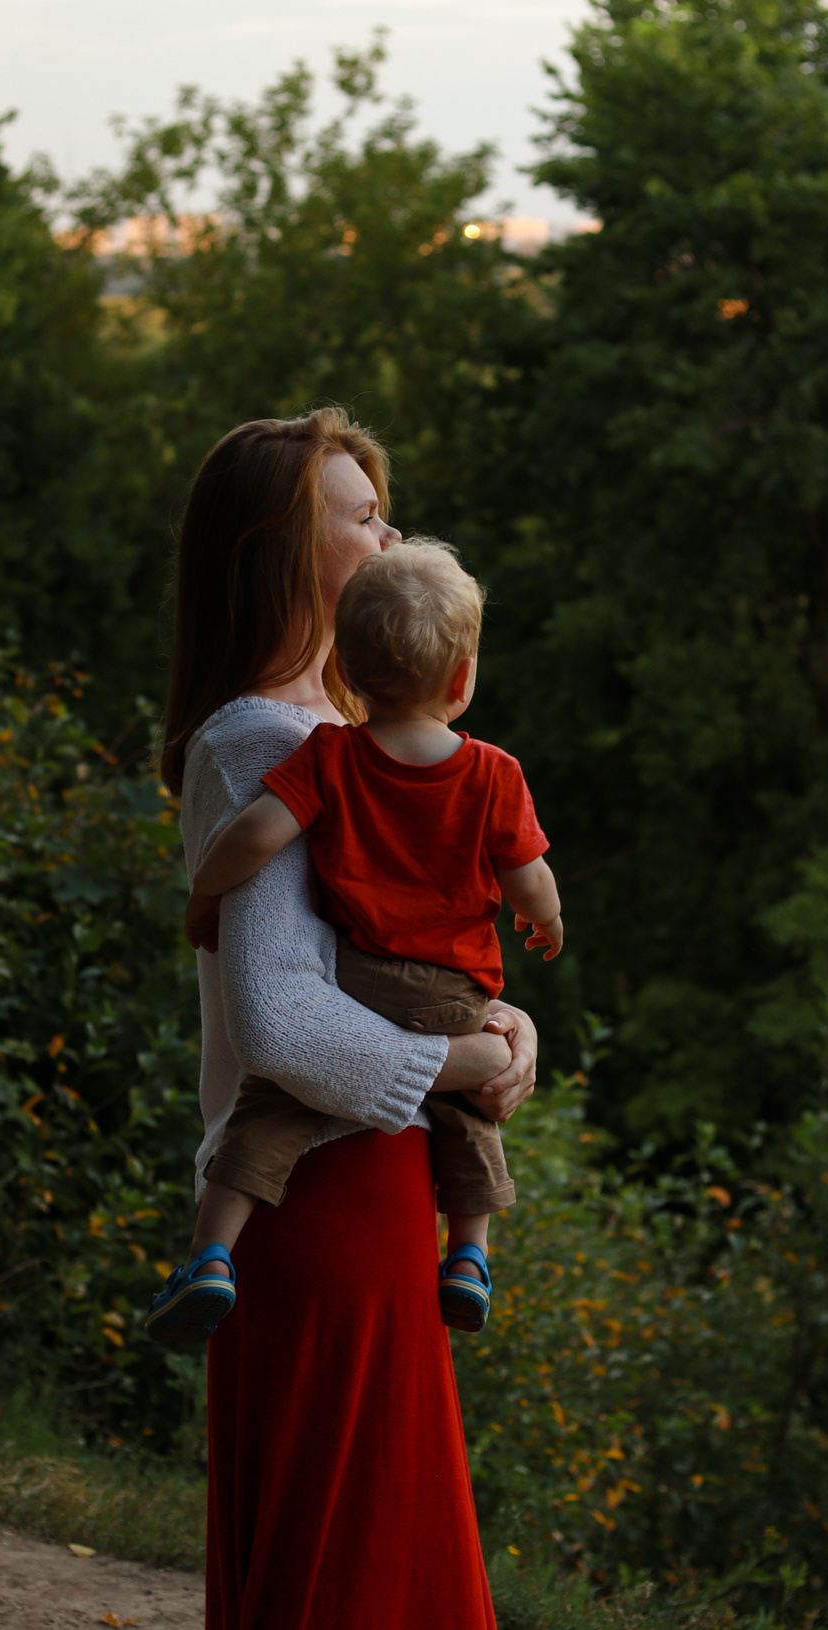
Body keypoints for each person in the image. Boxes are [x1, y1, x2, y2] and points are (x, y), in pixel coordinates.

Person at [156, 409, 532, 1630]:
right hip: (313, 1191)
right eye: (361, 515)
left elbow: (389, 954)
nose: (391, 534)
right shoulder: (266, 740)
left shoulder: (343, 742)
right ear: (282, 547)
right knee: (355, 1555)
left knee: (376, 1539)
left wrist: (500, 1024)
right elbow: (279, 1020)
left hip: (367, 1183)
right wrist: (457, 1056)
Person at [163, 539, 562, 1340]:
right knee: (469, 1118)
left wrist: (205, 894)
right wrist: (544, 919)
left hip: (358, 977)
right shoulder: (493, 774)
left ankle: (210, 1255)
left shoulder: (330, 756)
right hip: (454, 990)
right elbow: (528, 875)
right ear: (462, 679)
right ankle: (471, 1257)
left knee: (268, 1109)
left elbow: (252, 839)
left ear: (346, 666)